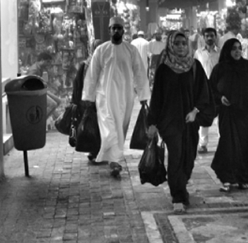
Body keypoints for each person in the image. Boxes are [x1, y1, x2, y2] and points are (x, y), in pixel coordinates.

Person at [147, 31, 214, 212]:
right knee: (176, 157)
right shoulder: (164, 69)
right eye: (176, 43)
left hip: (189, 121)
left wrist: (195, 111)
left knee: (188, 157)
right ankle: (177, 195)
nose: (181, 46)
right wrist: (152, 122)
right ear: (170, 45)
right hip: (169, 122)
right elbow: (157, 98)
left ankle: (181, 188)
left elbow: (204, 92)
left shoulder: (195, 66)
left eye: (184, 43)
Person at [82, 17, 151, 177]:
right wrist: (88, 97)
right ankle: (114, 162)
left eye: (119, 28)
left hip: (125, 97)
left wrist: (143, 95)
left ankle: (115, 159)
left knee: (120, 129)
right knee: (109, 128)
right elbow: (92, 75)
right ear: (109, 30)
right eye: (113, 28)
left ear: (123, 31)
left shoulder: (131, 50)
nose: (116, 31)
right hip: (104, 97)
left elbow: (140, 73)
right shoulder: (101, 50)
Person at [210, 39, 248, 191]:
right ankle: (227, 178)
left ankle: (243, 177)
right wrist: (220, 98)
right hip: (227, 113)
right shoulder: (220, 68)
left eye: (239, 48)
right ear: (228, 51)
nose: (237, 51)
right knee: (227, 144)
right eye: (234, 49)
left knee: (243, 146)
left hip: (244, 113)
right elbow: (211, 89)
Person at [194, 27, 220, 153]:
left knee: (221, 115)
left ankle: (223, 142)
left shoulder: (220, 53)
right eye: (207, 36)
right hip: (203, 88)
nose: (210, 38)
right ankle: (203, 144)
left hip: (218, 88)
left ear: (215, 37)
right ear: (203, 38)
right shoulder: (198, 53)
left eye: (212, 35)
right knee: (204, 115)